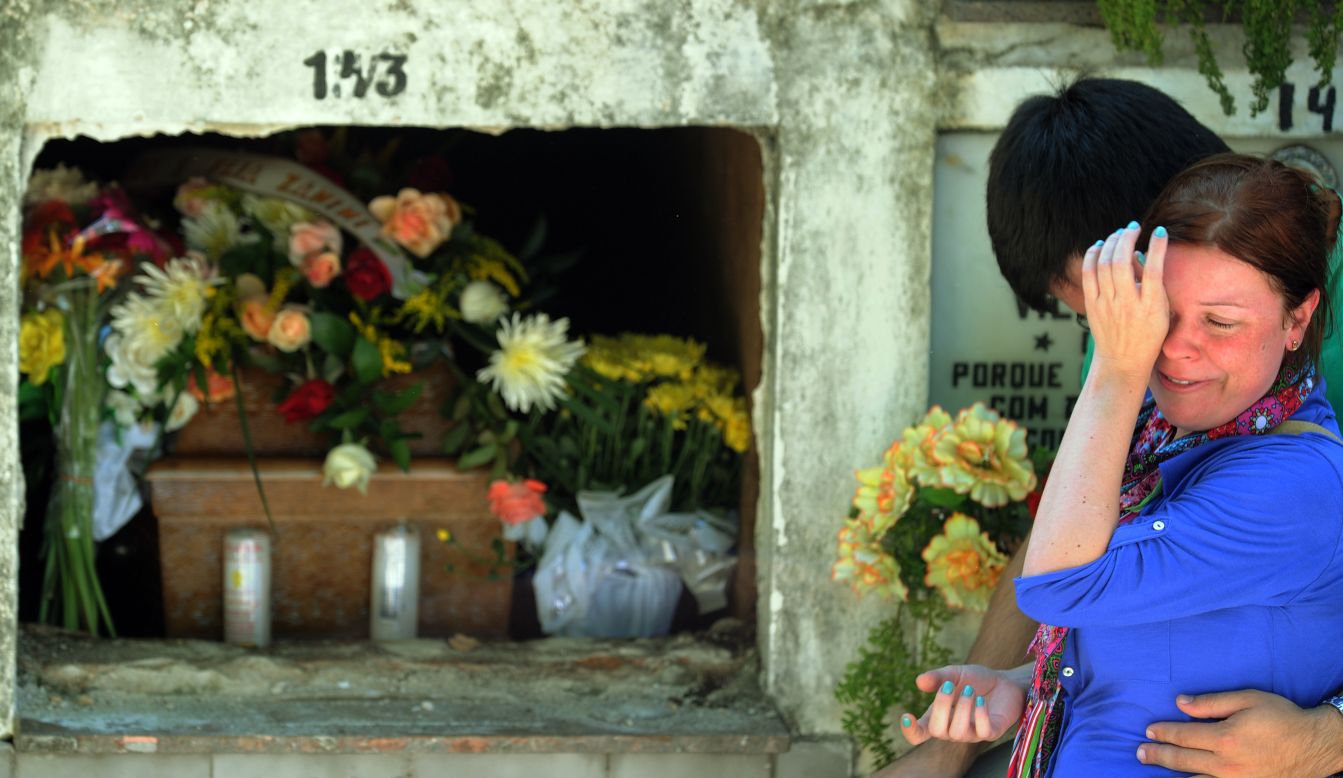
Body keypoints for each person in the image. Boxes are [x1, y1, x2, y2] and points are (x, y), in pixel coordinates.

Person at [877, 79, 1343, 777]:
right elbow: (1079, 531)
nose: (1169, 348)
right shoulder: (1137, 347)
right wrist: (987, 714)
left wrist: (1325, 738)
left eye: (1099, 297)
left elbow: (1063, 577)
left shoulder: (1181, 361)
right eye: (1107, 311)